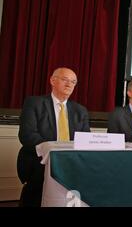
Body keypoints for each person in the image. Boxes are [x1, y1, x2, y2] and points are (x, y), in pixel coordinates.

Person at [17, 67, 90, 206]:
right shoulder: (34, 103)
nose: (69, 84)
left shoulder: (80, 110)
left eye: (73, 82)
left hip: (71, 163)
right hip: (40, 162)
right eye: (65, 80)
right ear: (52, 80)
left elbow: (85, 139)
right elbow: (27, 135)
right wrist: (55, 151)